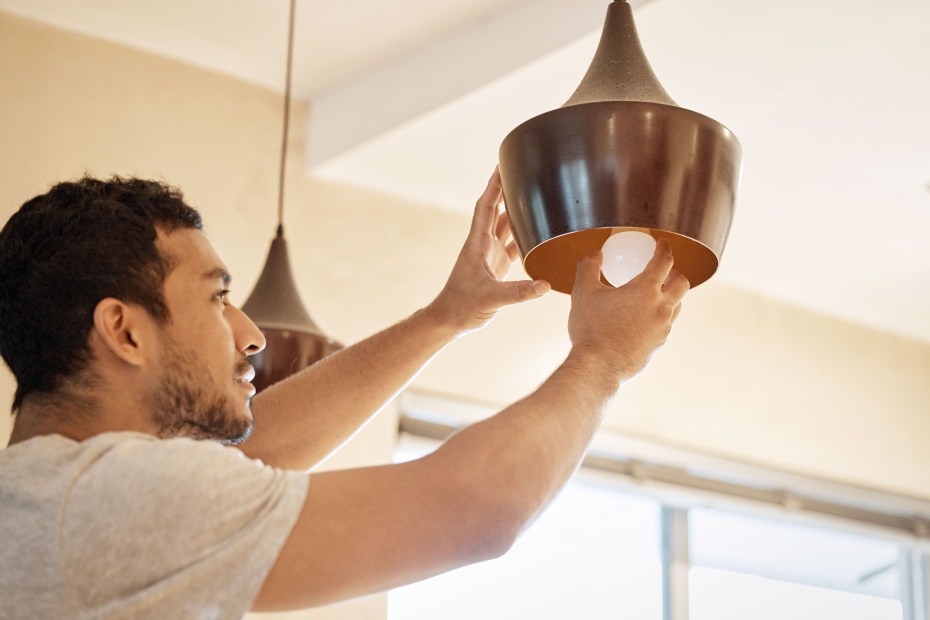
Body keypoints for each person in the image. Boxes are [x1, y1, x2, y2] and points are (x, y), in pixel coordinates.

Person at [0, 170, 688, 618]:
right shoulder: (113, 497)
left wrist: (448, 314)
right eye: (217, 298)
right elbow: (474, 510)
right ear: (124, 331)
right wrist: (602, 360)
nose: (250, 337)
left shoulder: (44, 494)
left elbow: (258, 450)